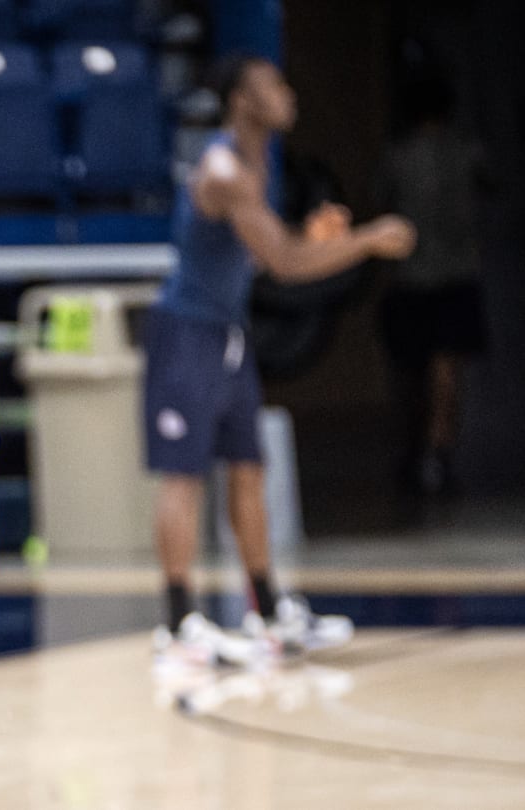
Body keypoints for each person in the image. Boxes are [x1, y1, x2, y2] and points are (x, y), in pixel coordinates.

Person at [144, 54, 417, 665]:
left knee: (248, 468)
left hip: (229, 330)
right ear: (243, 100)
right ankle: (178, 623)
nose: (288, 93)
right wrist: (366, 240)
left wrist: (316, 239)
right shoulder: (224, 170)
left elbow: (266, 251)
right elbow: (286, 264)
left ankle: (267, 612)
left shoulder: (259, 163)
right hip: (187, 331)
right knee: (183, 475)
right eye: (274, 85)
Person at [376, 71, 488, 501]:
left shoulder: (397, 156)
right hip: (455, 274)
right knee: (445, 372)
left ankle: (417, 450)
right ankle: (439, 452)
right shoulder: (468, 151)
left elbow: (378, 200)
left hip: (412, 276)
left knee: (411, 374)